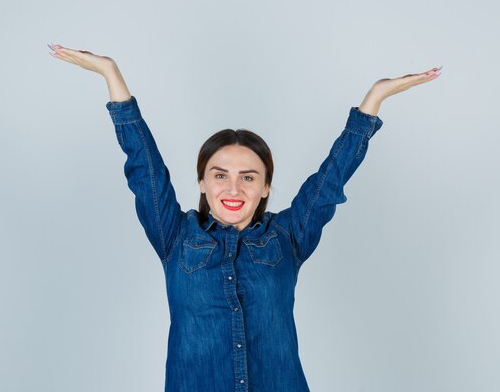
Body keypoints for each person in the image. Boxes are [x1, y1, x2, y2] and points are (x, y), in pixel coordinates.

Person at [49, 43, 441, 392]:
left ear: (266, 186)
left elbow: (331, 177)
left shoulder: (288, 236)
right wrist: (111, 75)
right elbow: (143, 166)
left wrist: (373, 100)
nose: (233, 189)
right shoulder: (175, 237)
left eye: (248, 177)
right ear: (202, 182)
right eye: (220, 175)